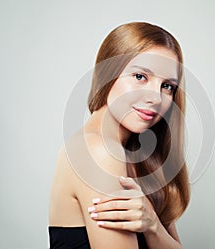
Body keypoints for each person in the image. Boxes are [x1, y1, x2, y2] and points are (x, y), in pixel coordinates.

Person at [48, 21, 190, 249]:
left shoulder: (141, 155)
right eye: (140, 77)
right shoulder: (100, 151)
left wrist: (151, 223)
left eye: (167, 86)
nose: (155, 97)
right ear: (107, 73)